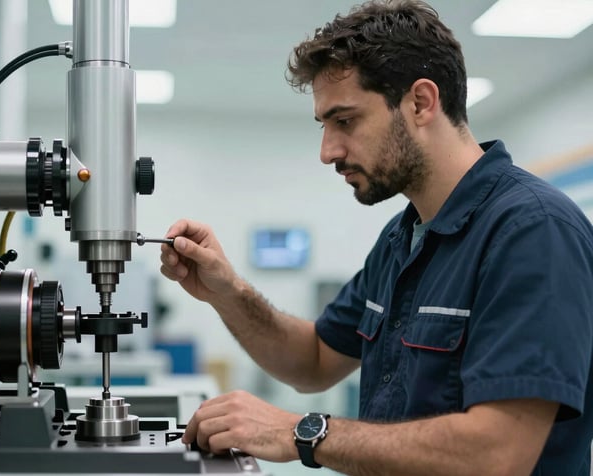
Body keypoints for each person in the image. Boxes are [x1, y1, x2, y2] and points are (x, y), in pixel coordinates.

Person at [158, 1, 593, 474]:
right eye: (324, 126)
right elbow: (315, 360)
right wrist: (228, 292)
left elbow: (498, 453)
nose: (328, 152)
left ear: (421, 103)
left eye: (345, 121)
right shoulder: (401, 238)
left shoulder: (532, 231)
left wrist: (300, 432)